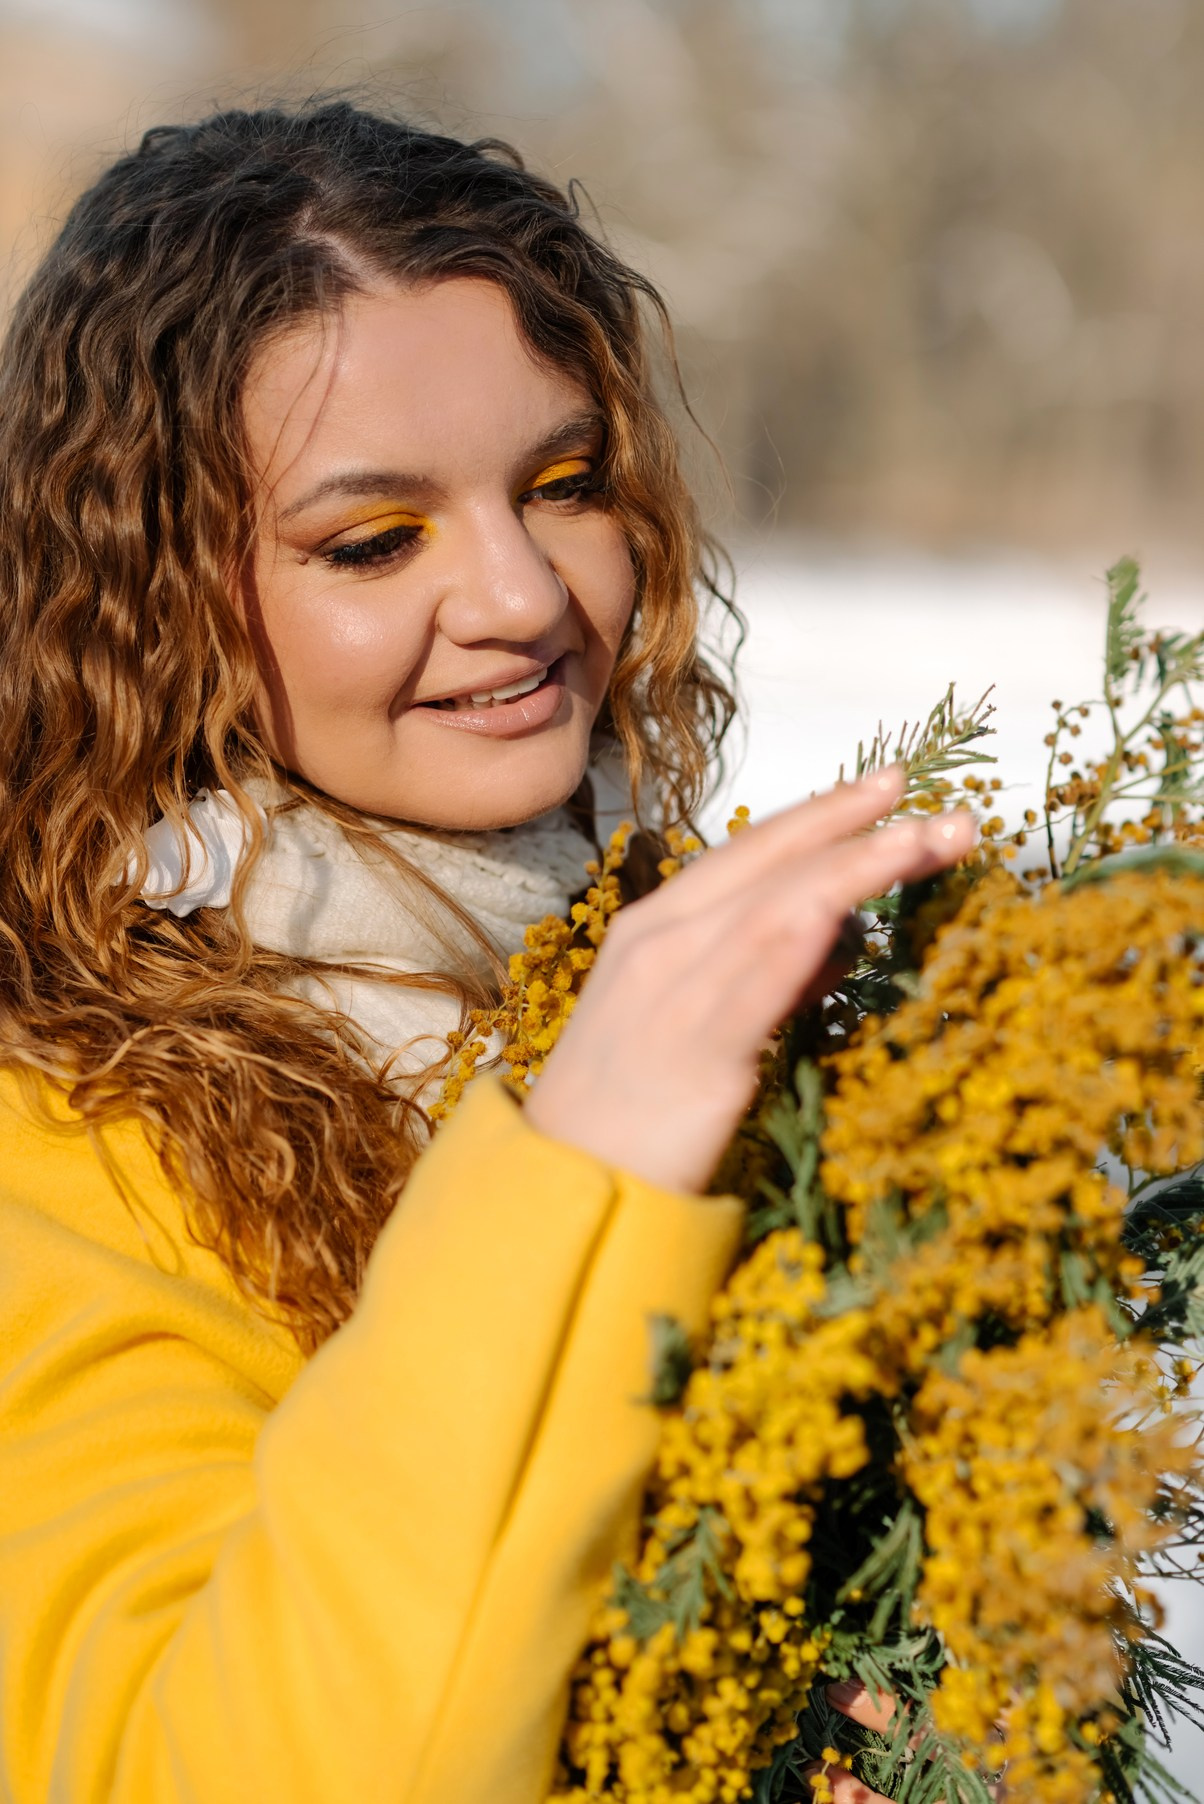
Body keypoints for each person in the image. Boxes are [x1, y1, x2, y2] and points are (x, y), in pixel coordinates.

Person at [0, 102, 975, 1802]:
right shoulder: (57, 1130)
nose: (524, 596)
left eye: (565, 485)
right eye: (376, 541)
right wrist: (576, 1171)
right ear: (152, 599)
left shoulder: (707, 995)